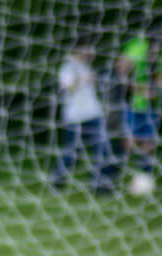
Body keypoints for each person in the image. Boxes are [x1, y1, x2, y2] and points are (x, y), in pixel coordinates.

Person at [52, 38, 114, 191]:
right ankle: (57, 179)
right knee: (72, 153)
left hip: (93, 114)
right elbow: (68, 89)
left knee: (102, 148)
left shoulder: (86, 66)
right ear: (79, 49)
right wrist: (82, 79)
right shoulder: (67, 68)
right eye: (88, 49)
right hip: (75, 117)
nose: (91, 52)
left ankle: (100, 184)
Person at [120, 34, 162, 177]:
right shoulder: (137, 55)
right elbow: (125, 79)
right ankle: (119, 172)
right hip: (132, 104)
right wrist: (142, 90)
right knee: (129, 141)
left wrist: (157, 89)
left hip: (150, 107)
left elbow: (161, 81)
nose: (153, 54)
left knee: (148, 142)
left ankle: (145, 175)